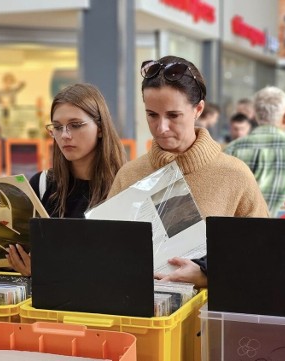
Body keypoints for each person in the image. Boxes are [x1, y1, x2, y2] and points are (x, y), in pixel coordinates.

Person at [109, 56, 269, 288]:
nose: (161, 127)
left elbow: (263, 256)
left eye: (173, 115)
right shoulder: (130, 174)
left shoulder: (235, 176)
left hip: (209, 320)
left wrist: (207, 274)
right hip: (138, 316)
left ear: (198, 109)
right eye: (152, 115)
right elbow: (107, 253)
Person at [7, 83, 126, 276]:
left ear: (101, 128)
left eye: (75, 125)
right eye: (57, 127)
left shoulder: (124, 187)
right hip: (40, 304)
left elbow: (122, 269)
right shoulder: (42, 185)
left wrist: (46, 272)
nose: (64, 135)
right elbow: (13, 254)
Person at [225, 86, 285, 216]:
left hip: (242, 233)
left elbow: (226, 204)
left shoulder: (233, 148)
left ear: (256, 116)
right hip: (284, 233)